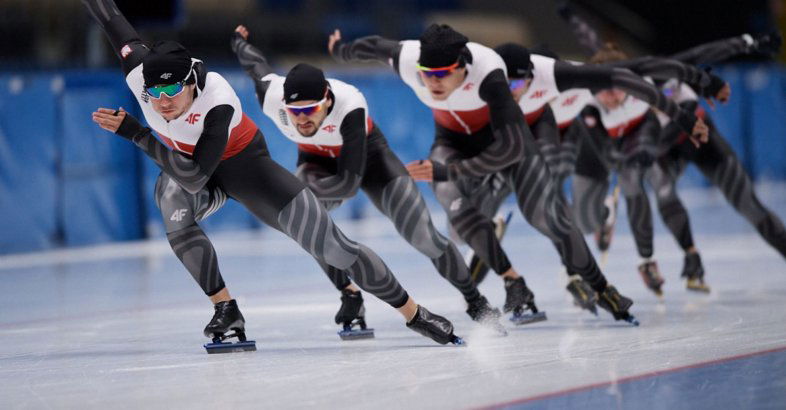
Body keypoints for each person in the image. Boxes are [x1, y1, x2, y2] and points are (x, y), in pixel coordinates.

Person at [81, 0, 464, 347]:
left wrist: (136, 132)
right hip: (188, 166)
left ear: (192, 83)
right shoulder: (139, 72)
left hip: (244, 166)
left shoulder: (217, 99)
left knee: (333, 246)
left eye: (172, 93)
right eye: (154, 94)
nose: (163, 104)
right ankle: (225, 307)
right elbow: (110, 16)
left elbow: (198, 176)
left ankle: (415, 313)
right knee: (170, 200)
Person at [328, 24, 642, 324]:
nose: (432, 83)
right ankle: (513, 281)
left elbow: (511, 148)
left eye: (441, 75)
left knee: (544, 215)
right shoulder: (409, 59)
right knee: (452, 202)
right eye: (426, 75)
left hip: (506, 141)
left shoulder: (489, 74)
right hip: (452, 140)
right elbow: (371, 46)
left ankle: (602, 288)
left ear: (463, 68)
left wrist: (677, 112)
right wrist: (341, 49)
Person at [230, 25, 505, 334]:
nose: (302, 118)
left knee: (422, 236)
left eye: (310, 109)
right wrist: (239, 41)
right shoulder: (271, 95)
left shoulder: (350, 103)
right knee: (308, 226)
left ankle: (475, 300)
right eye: (294, 111)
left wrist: (303, 193)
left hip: (371, 162)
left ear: (327, 101)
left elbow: (348, 185)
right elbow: (255, 65)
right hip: (316, 162)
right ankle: (350, 295)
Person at [559, 2, 786, 293]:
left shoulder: (653, 74)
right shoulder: (604, 96)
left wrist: (749, 42)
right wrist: (574, 17)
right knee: (663, 191)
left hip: (702, 142)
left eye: (619, 88)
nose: (614, 96)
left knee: (749, 206)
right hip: (661, 151)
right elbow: (592, 47)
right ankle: (690, 253)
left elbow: (701, 54)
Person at [468, 42, 712, 306]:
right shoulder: (497, 93)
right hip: (531, 139)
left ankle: (583, 253)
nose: (531, 92)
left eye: (528, 84)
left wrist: (700, 88)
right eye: (514, 86)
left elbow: (646, 68)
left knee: (566, 206)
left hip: (569, 138)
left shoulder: (571, 79)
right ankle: (571, 260)